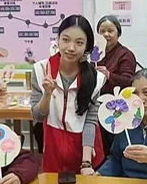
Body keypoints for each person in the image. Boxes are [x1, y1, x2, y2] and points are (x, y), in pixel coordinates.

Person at [32, 15, 105, 175]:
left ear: (87, 47)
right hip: (53, 149)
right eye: (65, 40)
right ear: (58, 40)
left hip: (85, 151)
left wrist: (86, 163)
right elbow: (38, 116)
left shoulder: (95, 78)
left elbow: (90, 121)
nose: (71, 48)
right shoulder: (40, 70)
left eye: (79, 42)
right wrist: (47, 95)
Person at [95, 15, 138, 154]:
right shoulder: (94, 55)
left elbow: (129, 81)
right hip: (96, 107)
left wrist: (109, 75)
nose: (106, 34)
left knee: (114, 146)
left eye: (110, 31)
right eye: (102, 31)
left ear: (118, 33)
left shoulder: (125, 54)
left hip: (117, 109)